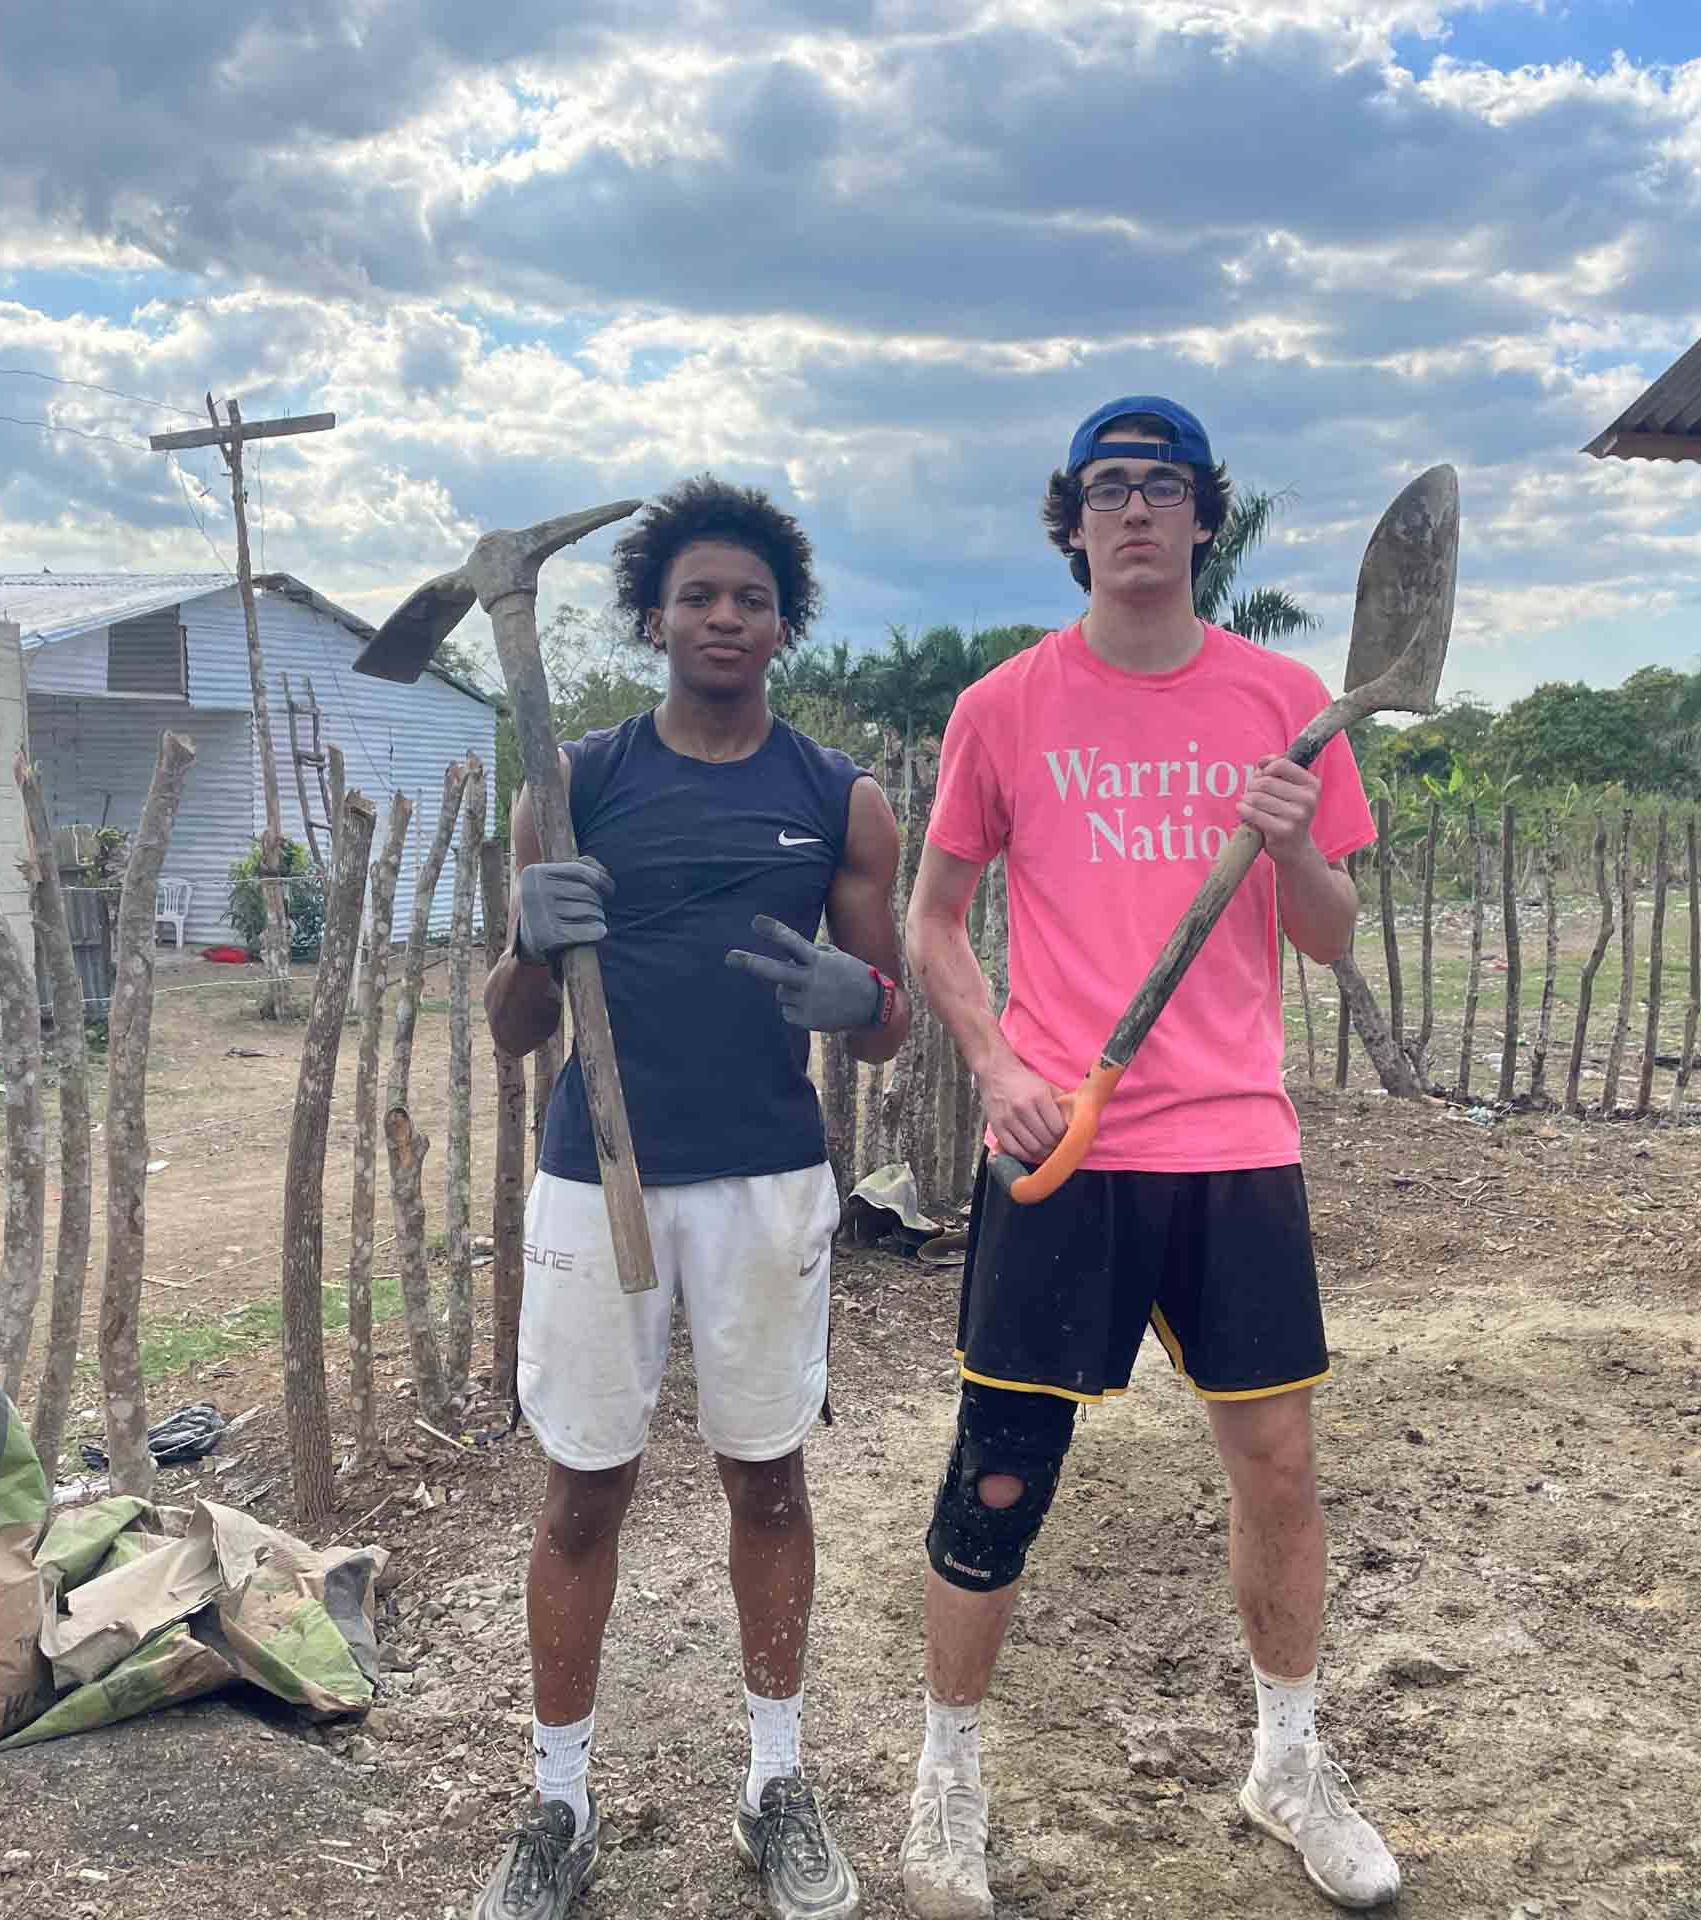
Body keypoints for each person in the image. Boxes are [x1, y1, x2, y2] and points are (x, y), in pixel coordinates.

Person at [895, 398, 1401, 1914]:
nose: (1134, 511)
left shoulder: (1287, 702)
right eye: (1107, 489)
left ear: (1202, 520)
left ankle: (1289, 1763)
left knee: (1281, 1465)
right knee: (1000, 1473)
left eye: (1162, 488)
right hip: (1068, 1143)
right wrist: (1000, 1066)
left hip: (1233, 1140)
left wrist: (1293, 841)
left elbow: (1331, 935)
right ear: (1072, 523)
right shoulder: (1004, 707)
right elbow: (934, 924)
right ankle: (947, 1777)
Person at [477, 476, 909, 1920]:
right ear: (653, 620)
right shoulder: (574, 787)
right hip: (596, 1174)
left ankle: (776, 1780)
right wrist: (528, 942)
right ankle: (558, 1803)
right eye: (699, 596)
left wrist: (864, 999)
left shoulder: (837, 800)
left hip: (766, 1183)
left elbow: (888, 1020)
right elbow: (511, 1027)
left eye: (753, 599)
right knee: (583, 1491)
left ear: (786, 626)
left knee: (767, 1477)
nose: (726, 617)